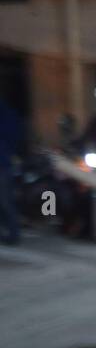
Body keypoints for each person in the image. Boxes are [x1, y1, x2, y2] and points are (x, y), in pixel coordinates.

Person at [0, 98, 22, 244]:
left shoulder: (6, 114)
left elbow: (12, 136)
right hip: (4, 162)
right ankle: (11, 232)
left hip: (3, 163)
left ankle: (13, 233)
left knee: (5, 201)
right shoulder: (8, 113)